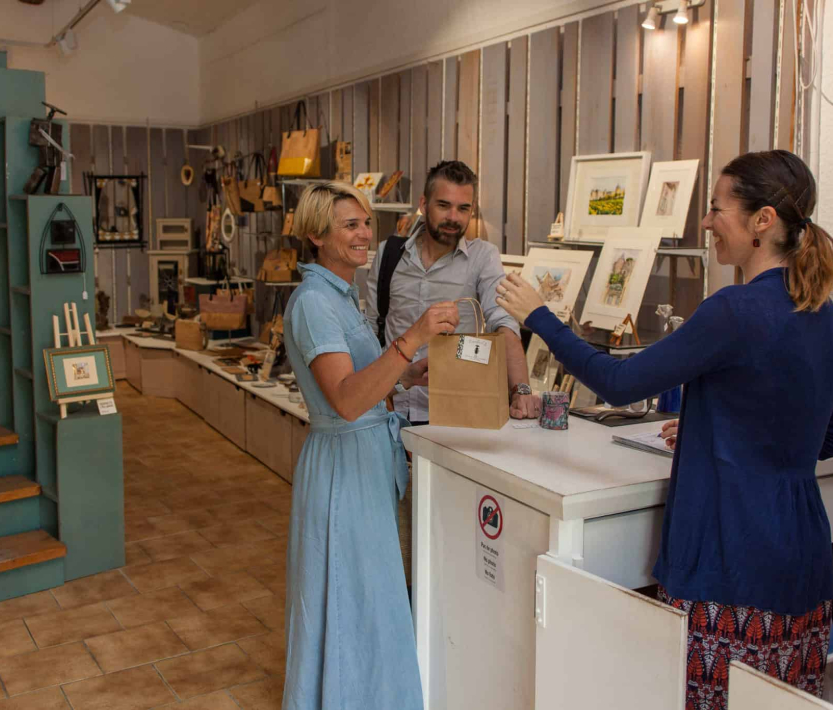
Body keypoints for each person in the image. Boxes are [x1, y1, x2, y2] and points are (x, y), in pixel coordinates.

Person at [495, 149, 833, 709]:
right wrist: (719, 427)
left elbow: (619, 381)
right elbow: (821, 432)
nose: (705, 222)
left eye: (717, 208)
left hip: (729, 561)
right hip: (803, 559)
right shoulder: (821, 310)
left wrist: (540, 316)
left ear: (762, 221)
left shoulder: (735, 310)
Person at [282, 182, 460, 710]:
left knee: (365, 597)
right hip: (343, 468)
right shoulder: (314, 303)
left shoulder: (337, 294)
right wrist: (414, 338)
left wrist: (405, 375)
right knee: (352, 597)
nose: (366, 234)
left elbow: (362, 382)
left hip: (360, 462)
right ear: (316, 235)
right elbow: (345, 400)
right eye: (350, 225)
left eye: (366, 222)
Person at [366, 160, 541, 424]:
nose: (453, 218)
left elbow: (504, 325)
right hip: (389, 409)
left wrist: (521, 390)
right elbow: (370, 328)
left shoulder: (483, 257)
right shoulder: (388, 253)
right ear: (424, 205)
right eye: (444, 205)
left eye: (463, 208)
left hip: (456, 415)